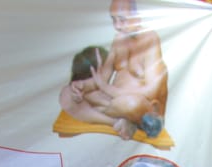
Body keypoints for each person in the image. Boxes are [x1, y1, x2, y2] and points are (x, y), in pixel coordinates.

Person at [59, 0, 168, 140]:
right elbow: (103, 78)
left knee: (130, 104)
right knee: (66, 94)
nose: (117, 26)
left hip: (138, 106)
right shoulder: (118, 40)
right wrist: (81, 87)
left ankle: (117, 116)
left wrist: (108, 89)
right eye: (114, 20)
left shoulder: (150, 39)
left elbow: (150, 92)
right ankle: (116, 122)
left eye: (122, 20)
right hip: (113, 103)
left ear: (137, 17)